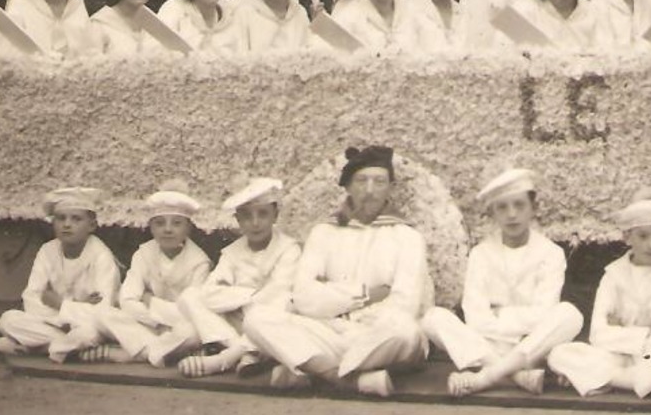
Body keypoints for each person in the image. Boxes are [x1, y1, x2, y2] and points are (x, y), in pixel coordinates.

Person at [243, 145, 433, 398]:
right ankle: (347, 381)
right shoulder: (323, 233)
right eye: (361, 181)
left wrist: (332, 295)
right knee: (257, 318)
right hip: (328, 331)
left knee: (405, 330)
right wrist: (367, 295)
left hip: (378, 335)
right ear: (348, 187)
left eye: (379, 182)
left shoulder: (407, 237)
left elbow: (404, 304)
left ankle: (311, 370)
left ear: (390, 188)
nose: (369, 190)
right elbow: (304, 298)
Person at [421, 168, 583, 397]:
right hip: (489, 344)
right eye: (502, 207)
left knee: (569, 314)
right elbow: (475, 318)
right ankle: (517, 375)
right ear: (493, 213)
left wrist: (499, 314)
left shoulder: (551, 253)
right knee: (433, 318)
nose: (512, 214)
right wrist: (516, 317)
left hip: (530, 345)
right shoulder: (481, 253)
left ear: (533, 209)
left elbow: (544, 313)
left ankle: (485, 377)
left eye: (519, 205)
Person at [548, 189, 651, 400]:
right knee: (560, 355)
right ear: (627, 237)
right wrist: (650, 332)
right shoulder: (613, 274)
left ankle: (604, 380)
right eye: (643, 236)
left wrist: (622, 331)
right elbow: (598, 334)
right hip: (616, 356)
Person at [170, 177, 302, 376]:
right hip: (235, 324)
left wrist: (234, 296)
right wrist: (249, 296)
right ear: (238, 220)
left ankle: (226, 358)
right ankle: (239, 350)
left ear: (275, 215)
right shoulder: (231, 253)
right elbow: (209, 293)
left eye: (263, 214)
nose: (255, 223)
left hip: (268, 320)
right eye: (247, 216)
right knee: (190, 296)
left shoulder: (289, 249)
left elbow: (278, 292)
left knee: (284, 301)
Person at [82, 186, 213, 364]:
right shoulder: (143, 254)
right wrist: (154, 321)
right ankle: (160, 353)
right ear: (150, 227)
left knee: (193, 331)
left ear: (188, 228)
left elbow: (191, 313)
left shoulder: (200, 262)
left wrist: (150, 301)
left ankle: (131, 353)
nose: (168, 229)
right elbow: (127, 300)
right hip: (146, 324)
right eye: (160, 223)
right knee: (102, 314)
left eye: (176, 223)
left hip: (177, 328)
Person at [0, 186, 121, 361]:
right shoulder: (47, 251)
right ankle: (66, 349)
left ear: (91, 225)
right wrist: (71, 311)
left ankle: (37, 348)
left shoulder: (101, 256)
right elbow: (32, 298)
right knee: (8, 320)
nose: (67, 224)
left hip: (86, 326)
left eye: (76, 219)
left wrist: (61, 304)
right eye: (61, 218)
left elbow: (102, 309)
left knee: (88, 333)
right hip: (53, 322)